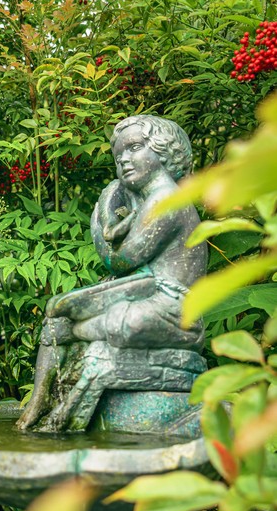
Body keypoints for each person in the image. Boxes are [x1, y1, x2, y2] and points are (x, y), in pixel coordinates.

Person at [17, 115, 207, 432]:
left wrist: (98, 222)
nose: (125, 160)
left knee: (122, 319)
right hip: (144, 293)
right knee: (57, 312)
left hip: (176, 312)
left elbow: (119, 262)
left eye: (134, 148)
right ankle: (39, 400)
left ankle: (57, 396)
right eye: (119, 156)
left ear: (164, 151)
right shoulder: (147, 201)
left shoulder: (167, 199)